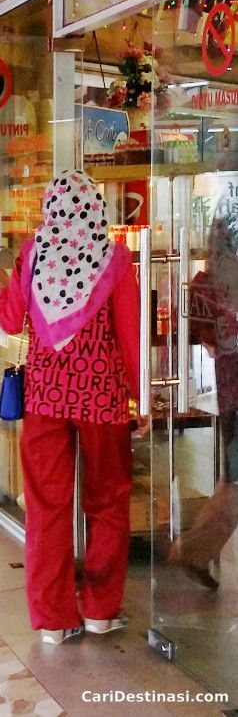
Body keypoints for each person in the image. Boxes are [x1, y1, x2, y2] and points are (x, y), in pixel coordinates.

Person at [0, 169, 140, 645]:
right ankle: (101, 611)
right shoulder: (116, 260)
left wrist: (7, 284)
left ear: (51, 210)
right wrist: (140, 397)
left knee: (47, 507)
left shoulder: (33, 254)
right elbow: (130, 335)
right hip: (103, 396)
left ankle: (53, 620)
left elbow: (11, 322)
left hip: (46, 397)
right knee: (108, 502)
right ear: (96, 208)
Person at [170, 210, 238, 589]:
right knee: (234, 484)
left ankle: (194, 550)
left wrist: (210, 340)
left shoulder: (207, 283)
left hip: (230, 391)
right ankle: (193, 550)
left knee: (232, 481)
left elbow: (186, 319)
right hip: (234, 393)